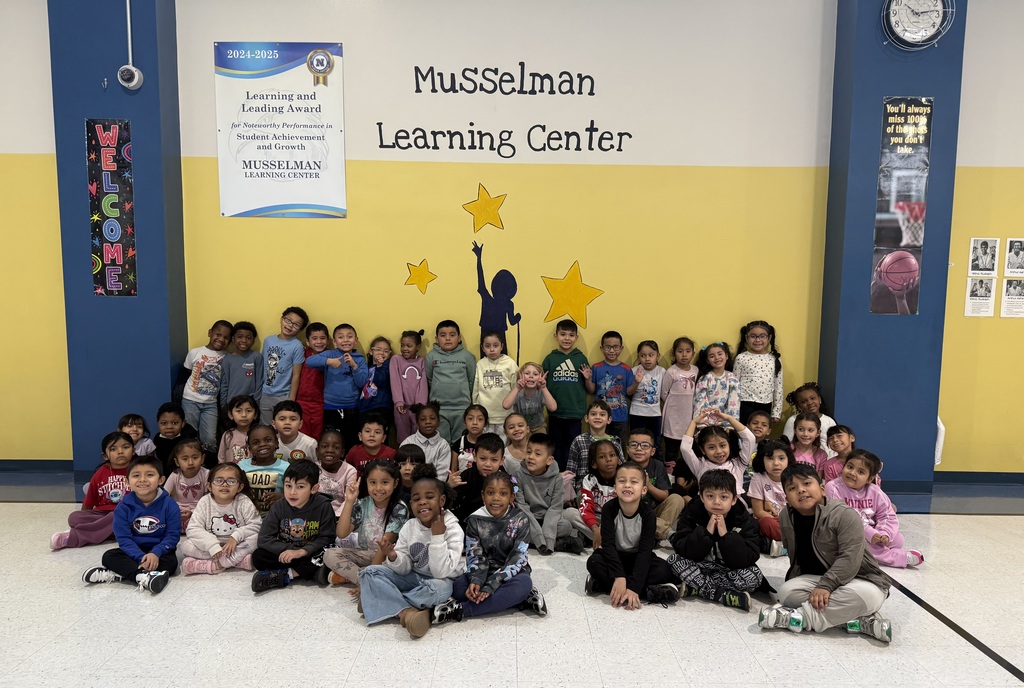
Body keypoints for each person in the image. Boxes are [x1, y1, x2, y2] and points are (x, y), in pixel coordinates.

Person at [757, 463, 893, 643]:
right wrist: (822, 585)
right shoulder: (785, 516)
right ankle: (856, 621)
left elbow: (850, 558)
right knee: (787, 592)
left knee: (867, 596)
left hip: (861, 579)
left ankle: (797, 618)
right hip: (818, 578)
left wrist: (826, 586)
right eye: (792, 488)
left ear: (822, 489)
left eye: (806, 484)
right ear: (787, 498)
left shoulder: (845, 514)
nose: (801, 490)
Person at [358, 464, 465, 638]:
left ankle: (383, 600)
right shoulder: (409, 526)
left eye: (429, 497)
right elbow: (405, 568)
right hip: (413, 577)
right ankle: (407, 612)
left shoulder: (453, 529)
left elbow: (440, 573)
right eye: (416, 499)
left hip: (438, 581)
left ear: (442, 501)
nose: (422, 502)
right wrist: (393, 556)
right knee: (369, 573)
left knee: (439, 590)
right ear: (411, 504)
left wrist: (438, 537)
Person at [433, 472, 548, 624]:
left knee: (523, 584)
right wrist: (477, 581)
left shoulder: (521, 519)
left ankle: (462, 610)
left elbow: (517, 558)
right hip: (483, 572)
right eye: (490, 493)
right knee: (459, 588)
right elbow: (475, 556)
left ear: (511, 497)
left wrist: (492, 585)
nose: (496, 498)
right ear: (483, 495)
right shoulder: (474, 520)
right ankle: (520, 600)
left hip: (510, 574)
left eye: (503, 493)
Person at [584, 461, 681, 607]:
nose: (627, 485)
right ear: (615, 488)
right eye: (622, 481)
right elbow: (608, 545)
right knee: (593, 563)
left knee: (664, 570)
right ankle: (647, 592)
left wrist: (634, 586)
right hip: (615, 556)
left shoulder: (648, 514)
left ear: (643, 490)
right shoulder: (609, 509)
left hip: (637, 557)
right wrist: (619, 575)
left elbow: (645, 551)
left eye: (634, 482)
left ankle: (605, 586)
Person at [667, 469, 765, 611]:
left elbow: (749, 557)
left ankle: (697, 588)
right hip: (699, 566)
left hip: (727, 570)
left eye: (724, 497)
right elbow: (682, 547)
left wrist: (726, 536)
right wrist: (705, 533)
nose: (716, 502)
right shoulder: (692, 512)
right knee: (673, 561)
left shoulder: (742, 519)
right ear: (701, 497)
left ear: (734, 499)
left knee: (754, 576)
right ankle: (723, 595)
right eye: (710, 496)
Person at [81, 454, 180, 595]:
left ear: (161, 480)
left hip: (160, 551)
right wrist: (140, 557)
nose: (143, 480)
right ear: (127, 482)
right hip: (133, 550)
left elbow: (172, 536)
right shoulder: (123, 507)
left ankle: (119, 575)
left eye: (150, 475)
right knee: (109, 556)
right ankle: (143, 576)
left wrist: (155, 553)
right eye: (136, 476)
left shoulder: (170, 504)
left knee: (171, 565)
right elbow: (124, 539)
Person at [250, 459, 337, 592]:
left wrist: (302, 552)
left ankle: (287, 575)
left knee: (328, 554)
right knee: (258, 556)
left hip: (310, 552)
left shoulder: (323, 506)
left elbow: (327, 538)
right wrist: (291, 550)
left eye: (300, 487)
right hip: (289, 553)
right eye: (288, 486)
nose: (292, 492)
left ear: (314, 488)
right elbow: (264, 539)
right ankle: (308, 573)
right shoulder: (279, 506)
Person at [826, 450, 923, 568]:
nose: (852, 472)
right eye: (850, 467)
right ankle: (899, 558)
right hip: (845, 531)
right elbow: (843, 518)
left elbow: (887, 515)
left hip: (871, 530)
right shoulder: (833, 487)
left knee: (897, 540)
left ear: (869, 478)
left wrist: (883, 534)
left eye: (860, 471)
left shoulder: (875, 491)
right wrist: (871, 534)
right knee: (859, 545)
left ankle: (876, 550)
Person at [321, 458, 408, 589]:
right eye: (373, 482)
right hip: (366, 553)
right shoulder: (363, 504)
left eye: (385, 482)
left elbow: (383, 548)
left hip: (390, 557)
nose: (378, 488)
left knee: (397, 571)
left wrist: (373, 570)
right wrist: (349, 501)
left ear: (395, 483)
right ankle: (365, 580)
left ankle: (366, 578)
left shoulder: (399, 509)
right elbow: (341, 533)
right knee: (329, 554)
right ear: (366, 482)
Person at [51, 431, 133, 550]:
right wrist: (85, 514)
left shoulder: (137, 470)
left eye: (125, 447)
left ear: (133, 450)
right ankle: (110, 532)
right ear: (105, 455)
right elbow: (89, 500)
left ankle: (74, 537)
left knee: (117, 516)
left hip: (127, 513)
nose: (120, 451)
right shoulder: (101, 472)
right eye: (113, 449)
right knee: (74, 518)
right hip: (102, 513)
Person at [504, 432, 583, 554]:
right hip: (527, 517)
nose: (531, 457)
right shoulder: (517, 476)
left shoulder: (556, 478)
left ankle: (540, 542)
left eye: (537, 454)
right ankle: (555, 543)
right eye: (529, 452)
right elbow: (521, 507)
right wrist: (539, 537)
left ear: (549, 460)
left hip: (549, 518)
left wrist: (547, 536)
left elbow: (555, 508)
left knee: (566, 526)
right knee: (512, 527)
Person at [180, 463, 261, 574]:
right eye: (219, 480)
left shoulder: (243, 501)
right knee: (185, 546)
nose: (225, 485)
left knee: (257, 538)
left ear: (240, 487)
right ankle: (235, 561)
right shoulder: (205, 502)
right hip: (211, 547)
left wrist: (235, 537)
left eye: (231, 481)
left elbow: (256, 525)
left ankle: (212, 564)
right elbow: (193, 529)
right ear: (209, 486)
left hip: (236, 545)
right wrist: (212, 545)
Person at [304, 323, 368, 451]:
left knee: (350, 440)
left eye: (349, 337)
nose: (345, 340)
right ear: (334, 341)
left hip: (352, 407)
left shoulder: (360, 359)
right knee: (331, 440)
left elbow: (362, 383)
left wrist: (354, 366)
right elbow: (309, 362)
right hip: (331, 406)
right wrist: (328, 361)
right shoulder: (330, 354)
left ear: (356, 340)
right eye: (340, 337)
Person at [542, 319, 589, 470]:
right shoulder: (550, 359)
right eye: (563, 334)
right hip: (555, 412)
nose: (567, 338)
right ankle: (557, 475)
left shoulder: (580, 358)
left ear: (576, 337)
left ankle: (572, 476)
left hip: (575, 413)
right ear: (556, 336)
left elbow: (589, 387)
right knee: (555, 446)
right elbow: (542, 385)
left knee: (573, 447)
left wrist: (588, 378)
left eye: (571, 335)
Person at [676, 408, 755, 498]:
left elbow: (750, 439)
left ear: (729, 445)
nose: (719, 451)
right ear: (702, 450)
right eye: (711, 447)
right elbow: (685, 448)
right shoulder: (699, 465)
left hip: (734, 510)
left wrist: (729, 418)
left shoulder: (738, 464)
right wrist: (694, 423)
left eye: (722, 445)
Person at [625, 427, 686, 540]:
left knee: (677, 499)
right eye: (634, 445)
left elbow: (664, 496)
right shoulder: (624, 469)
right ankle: (663, 533)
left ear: (652, 451)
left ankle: (655, 535)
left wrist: (648, 485)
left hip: (653, 512)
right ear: (628, 449)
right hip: (634, 514)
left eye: (645, 445)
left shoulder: (657, 465)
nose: (639, 449)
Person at [181, 319, 232, 450]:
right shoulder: (195, 352)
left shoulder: (228, 357)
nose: (221, 339)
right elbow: (184, 376)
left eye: (226, 337)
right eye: (218, 334)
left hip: (211, 404)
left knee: (209, 439)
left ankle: (209, 467)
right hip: (190, 400)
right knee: (189, 435)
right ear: (210, 333)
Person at [424, 319, 476, 443]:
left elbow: (472, 380)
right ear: (437, 339)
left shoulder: (467, 357)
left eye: (452, 335)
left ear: (459, 338)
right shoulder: (431, 356)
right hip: (439, 409)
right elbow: (429, 379)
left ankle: (457, 463)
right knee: (442, 442)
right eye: (443, 335)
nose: (447, 339)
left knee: (460, 442)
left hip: (461, 408)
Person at [564, 440, 620, 547]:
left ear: (618, 459)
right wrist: (595, 528)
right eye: (602, 457)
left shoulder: (624, 479)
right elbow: (586, 507)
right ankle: (601, 538)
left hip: (615, 521)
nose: (609, 459)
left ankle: (595, 538)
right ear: (594, 464)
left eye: (612, 455)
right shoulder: (589, 480)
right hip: (595, 519)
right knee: (569, 513)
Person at [582, 330, 636, 440]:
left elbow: (629, 392)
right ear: (602, 348)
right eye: (608, 347)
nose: (611, 350)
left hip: (620, 416)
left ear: (621, 348)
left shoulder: (626, 369)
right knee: (597, 445)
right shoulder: (596, 367)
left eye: (616, 347)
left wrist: (637, 382)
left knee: (618, 446)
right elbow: (591, 390)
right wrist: (587, 379)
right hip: (600, 416)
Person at [260, 306, 309, 422]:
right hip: (265, 393)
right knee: (265, 428)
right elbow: (262, 367)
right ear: (281, 319)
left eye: (296, 325)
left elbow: (296, 375)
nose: (290, 325)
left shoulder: (297, 346)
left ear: (300, 330)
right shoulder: (268, 340)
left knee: (283, 430)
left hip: (284, 395)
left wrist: (291, 399)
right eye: (288, 320)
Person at [566, 400, 625, 492]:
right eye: (593, 414)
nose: (597, 417)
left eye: (602, 415)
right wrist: (571, 493)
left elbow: (622, 467)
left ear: (609, 420)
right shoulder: (579, 441)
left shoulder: (615, 441)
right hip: (584, 488)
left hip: (611, 488)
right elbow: (571, 470)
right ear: (586, 418)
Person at [448, 432, 507, 524]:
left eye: (494, 460)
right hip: (468, 522)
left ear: (502, 460)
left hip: (496, 523)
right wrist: (449, 487)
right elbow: (453, 504)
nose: (488, 464)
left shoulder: (506, 479)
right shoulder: (466, 476)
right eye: (483, 459)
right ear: (475, 456)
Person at [734, 320, 784, 424]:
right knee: (744, 434)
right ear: (747, 338)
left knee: (760, 433)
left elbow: (779, 386)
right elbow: (734, 384)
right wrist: (732, 409)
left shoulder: (774, 359)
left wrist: (776, 412)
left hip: (765, 403)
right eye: (753, 336)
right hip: (744, 403)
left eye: (762, 336)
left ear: (769, 338)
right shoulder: (741, 358)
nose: (758, 340)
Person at [661, 336, 698, 474]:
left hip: (689, 416)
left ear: (693, 354)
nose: (684, 354)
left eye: (688, 351)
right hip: (673, 416)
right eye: (680, 351)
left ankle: (685, 474)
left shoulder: (695, 370)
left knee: (687, 446)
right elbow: (664, 393)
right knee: (671, 448)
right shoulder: (671, 371)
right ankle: (669, 474)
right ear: (674, 353)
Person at [749, 439, 791, 557]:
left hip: (789, 520)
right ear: (762, 460)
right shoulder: (758, 478)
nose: (776, 463)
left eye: (781, 458)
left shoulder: (792, 478)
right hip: (771, 520)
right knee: (765, 523)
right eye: (770, 458)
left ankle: (782, 545)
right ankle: (793, 544)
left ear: (788, 459)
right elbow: (758, 511)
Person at [473, 331, 517, 437]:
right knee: (487, 445)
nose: (492, 349)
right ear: (482, 348)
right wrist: (476, 409)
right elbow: (476, 389)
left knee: (503, 446)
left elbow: (516, 388)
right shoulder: (480, 364)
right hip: (485, 416)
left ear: (502, 346)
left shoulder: (510, 363)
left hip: (505, 415)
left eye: (496, 345)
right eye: (487, 346)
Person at [238, 425, 289, 515]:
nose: (262, 444)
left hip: (277, 515)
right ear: (249, 448)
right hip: (247, 515)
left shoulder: (286, 467)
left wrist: (282, 497)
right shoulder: (241, 466)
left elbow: (294, 493)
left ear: (276, 443)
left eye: (267, 440)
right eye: (256, 442)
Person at [390, 329, 428, 444]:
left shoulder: (422, 361)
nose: (405, 349)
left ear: (418, 347)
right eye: (402, 345)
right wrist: (398, 402)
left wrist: (420, 405)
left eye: (409, 346)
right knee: (403, 438)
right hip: (401, 408)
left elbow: (423, 384)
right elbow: (395, 381)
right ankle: (403, 460)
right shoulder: (396, 360)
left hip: (417, 408)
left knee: (418, 437)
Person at [628, 340, 666, 450]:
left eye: (651, 355)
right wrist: (636, 382)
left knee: (655, 444)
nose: (647, 359)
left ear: (657, 356)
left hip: (655, 414)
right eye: (643, 356)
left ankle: (656, 466)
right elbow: (628, 392)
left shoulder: (662, 371)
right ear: (638, 356)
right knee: (636, 443)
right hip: (637, 413)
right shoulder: (634, 371)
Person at [164, 439, 209, 531]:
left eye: (195, 458)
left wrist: (193, 512)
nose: (190, 463)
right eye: (185, 459)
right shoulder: (175, 475)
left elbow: (209, 498)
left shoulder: (206, 474)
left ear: (202, 459)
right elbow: (163, 495)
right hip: (178, 510)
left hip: (200, 509)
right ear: (177, 462)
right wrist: (175, 511)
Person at [218, 321, 263, 412]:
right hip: (231, 405)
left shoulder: (256, 357)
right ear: (233, 339)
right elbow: (224, 384)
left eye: (248, 338)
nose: (244, 341)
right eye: (240, 337)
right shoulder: (227, 359)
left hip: (250, 406)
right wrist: (223, 406)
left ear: (253, 340)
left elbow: (259, 383)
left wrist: (256, 404)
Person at [400, 401, 452, 481]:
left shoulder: (443, 446)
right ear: (417, 424)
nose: (428, 422)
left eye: (432, 418)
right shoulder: (408, 442)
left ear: (438, 422)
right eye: (423, 419)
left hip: (434, 488)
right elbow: (402, 469)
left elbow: (442, 475)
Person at [782, 382, 836, 456]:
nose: (810, 403)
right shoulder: (793, 420)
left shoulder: (829, 421)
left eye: (812, 398)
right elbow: (786, 445)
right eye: (804, 401)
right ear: (799, 406)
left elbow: (834, 446)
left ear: (819, 399)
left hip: (824, 461)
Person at [296, 322, 329, 441]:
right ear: (308, 342)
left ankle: (317, 459)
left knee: (318, 434)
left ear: (328, 340)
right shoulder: (303, 354)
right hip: (301, 401)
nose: (319, 342)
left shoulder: (330, 356)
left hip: (320, 403)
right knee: (302, 434)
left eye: (322, 338)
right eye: (314, 338)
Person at [502, 361, 557, 432]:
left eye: (535, 374)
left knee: (541, 441)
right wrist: (517, 388)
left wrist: (544, 388)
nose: (531, 376)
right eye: (527, 373)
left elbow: (553, 408)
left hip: (538, 426)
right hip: (521, 428)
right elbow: (506, 405)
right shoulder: (517, 392)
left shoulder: (541, 392)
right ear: (520, 375)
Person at [693, 342, 740, 422]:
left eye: (719, 354)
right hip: (707, 423)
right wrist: (703, 421)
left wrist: (731, 423)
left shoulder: (732, 378)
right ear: (708, 361)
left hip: (725, 421)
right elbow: (699, 401)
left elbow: (734, 402)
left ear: (726, 356)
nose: (717, 358)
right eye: (712, 356)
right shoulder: (705, 378)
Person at [315, 428, 358, 517]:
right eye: (324, 446)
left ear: (342, 453)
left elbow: (350, 499)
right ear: (317, 451)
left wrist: (334, 516)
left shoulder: (350, 471)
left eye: (336, 447)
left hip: (340, 516)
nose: (330, 450)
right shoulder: (312, 468)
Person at [358, 336, 394, 436]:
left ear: (390, 354)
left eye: (386, 351)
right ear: (371, 351)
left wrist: (379, 366)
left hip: (381, 407)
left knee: (380, 437)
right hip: (365, 408)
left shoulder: (388, 366)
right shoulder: (366, 367)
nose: (382, 353)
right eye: (378, 349)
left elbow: (380, 380)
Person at [153, 402, 199, 475]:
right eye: (164, 423)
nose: (169, 427)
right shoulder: (157, 439)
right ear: (158, 423)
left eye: (175, 423)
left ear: (183, 423)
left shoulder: (189, 439)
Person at [218, 394, 259, 463]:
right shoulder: (228, 435)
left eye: (248, 411)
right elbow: (221, 458)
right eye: (238, 411)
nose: (244, 415)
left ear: (255, 415)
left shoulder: (258, 435)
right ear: (230, 415)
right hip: (231, 472)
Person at [451, 404, 488, 474]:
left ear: (485, 423)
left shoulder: (490, 443)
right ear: (465, 422)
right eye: (470, 419)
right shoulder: (458, 444)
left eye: (480, 419)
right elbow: (453, 470)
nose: (475, 423)